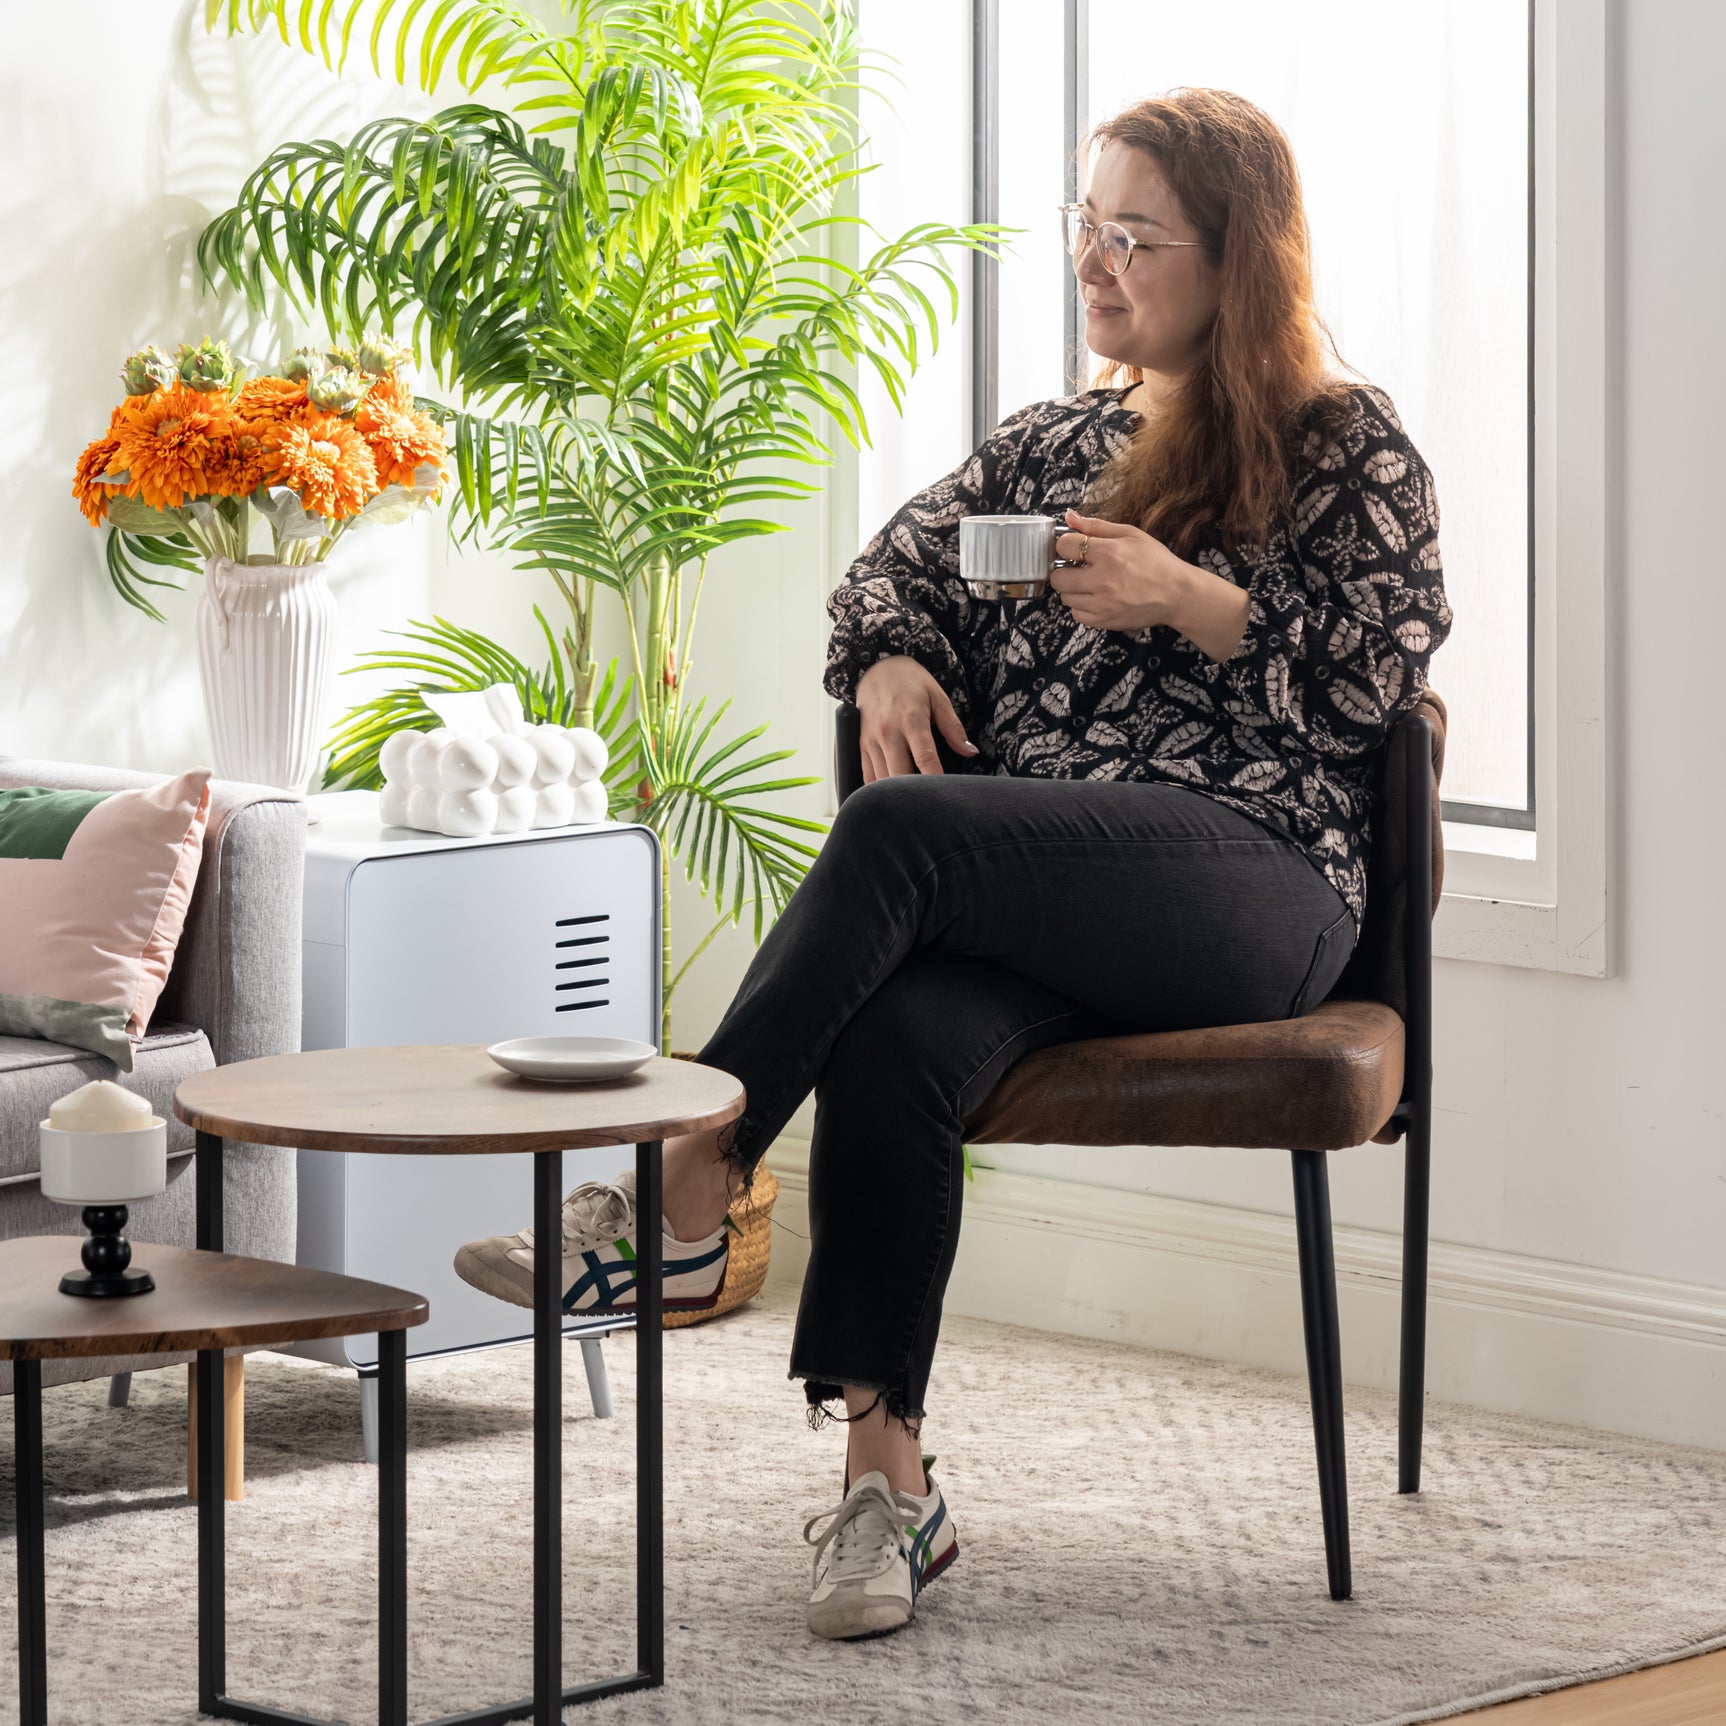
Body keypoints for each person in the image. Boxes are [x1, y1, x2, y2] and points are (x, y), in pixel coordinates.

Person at [455, 85, 1453, 1642]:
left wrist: (1190, 598)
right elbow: (887, 571)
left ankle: (692, 1171)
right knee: (901, 1028)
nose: (1095, 261)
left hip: (1256, 890)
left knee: (899, 832)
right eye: (1088, 224)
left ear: (1238, 259)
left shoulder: (1346, 444)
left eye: (1137, 235)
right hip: (1053, 892)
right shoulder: (1053, 441)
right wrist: (887, 667)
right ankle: (887, 1487)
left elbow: (1377, 680)